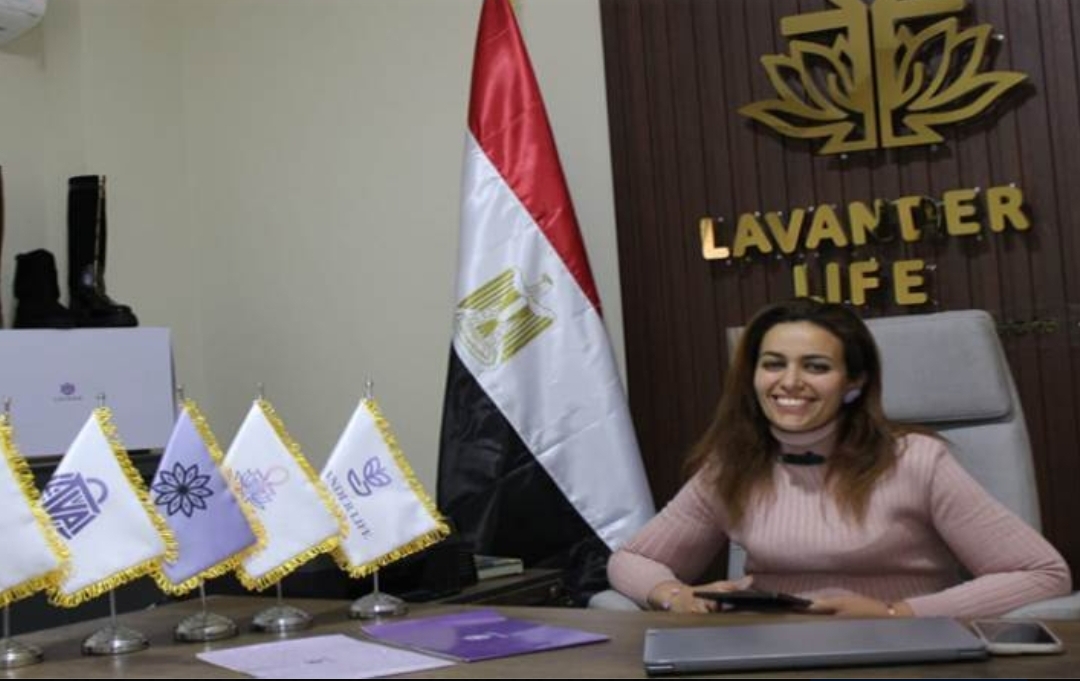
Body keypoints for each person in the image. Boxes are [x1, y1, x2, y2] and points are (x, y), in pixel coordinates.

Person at [608, 298, 1071, 618]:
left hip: (897, 652)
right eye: (773, 364)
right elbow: (631, 560)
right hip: (765, 651)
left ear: (854, 383)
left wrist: (898, 614)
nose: (790, 382)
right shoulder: (734, 464)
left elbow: (1042, 573)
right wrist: (673, 595)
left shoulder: (915, 460)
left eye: (816, 366)